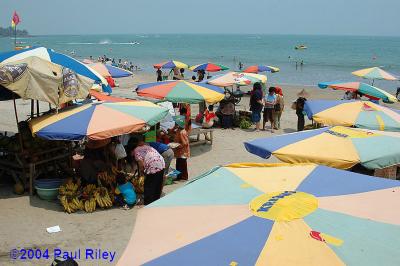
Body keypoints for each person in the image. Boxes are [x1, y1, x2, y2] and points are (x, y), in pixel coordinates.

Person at [131, 136, 165, 205]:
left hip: (153, 165)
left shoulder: (136, 150)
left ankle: (148, 203)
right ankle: (156, 200)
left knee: (149, 185)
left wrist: (142, 172)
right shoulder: (147, 146)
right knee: (157, 183)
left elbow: (141, 164)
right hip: (161, 163)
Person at [173, 116, 190, 180]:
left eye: (176, 123)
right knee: (179, 164)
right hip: (180, 152)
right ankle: (180, 176)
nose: (175, 124)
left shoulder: (182, 132)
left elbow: (185, 143)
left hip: (183, 152)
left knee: (181, 165)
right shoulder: (179, 130)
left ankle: (183, 177)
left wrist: (177, 145)